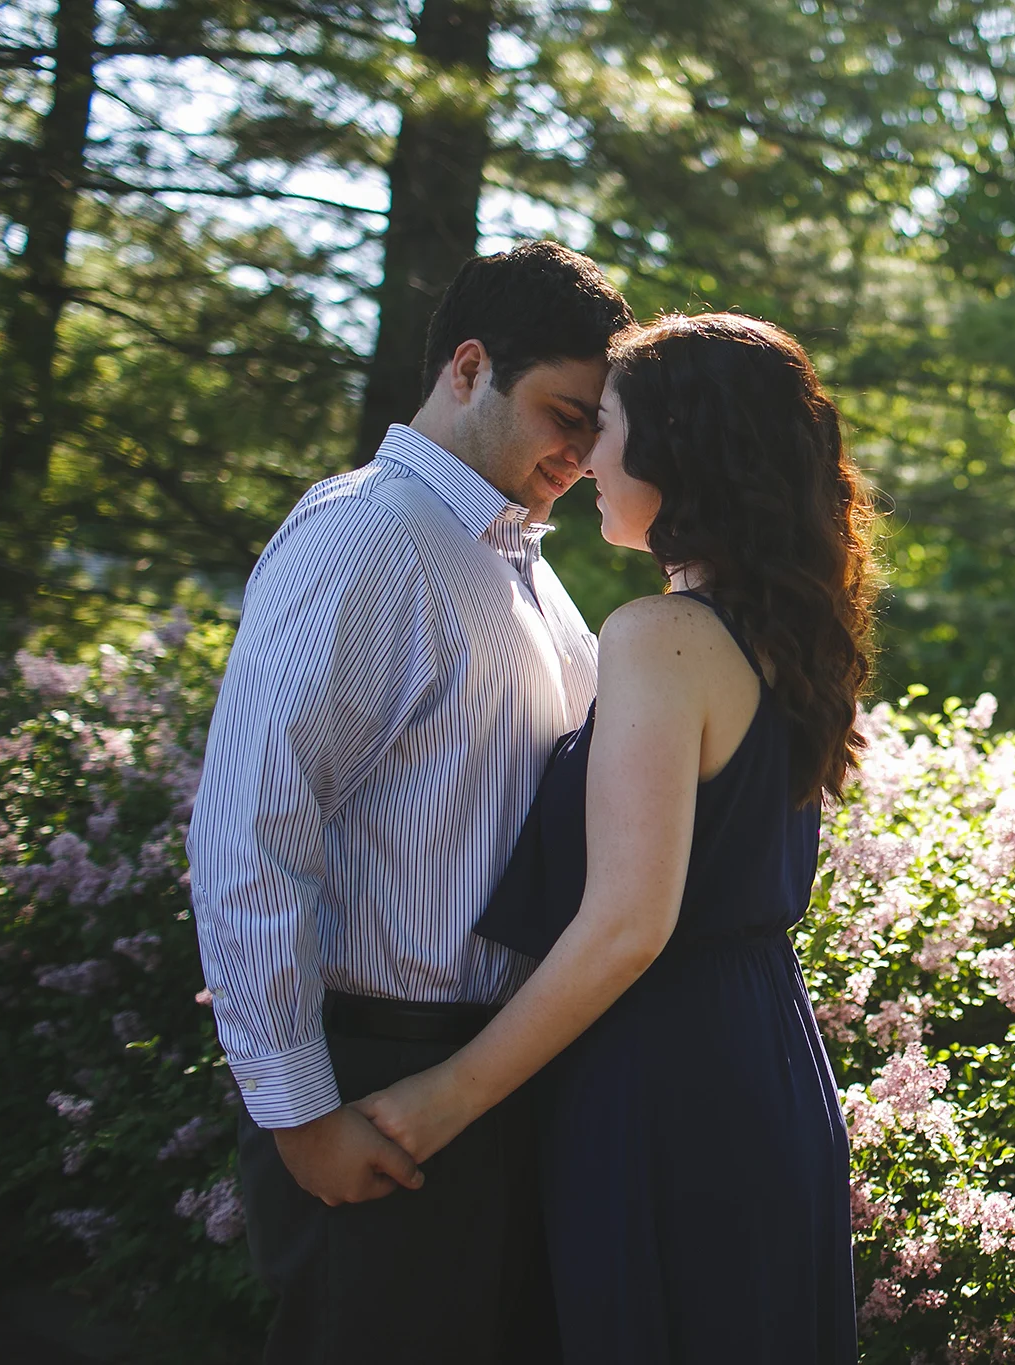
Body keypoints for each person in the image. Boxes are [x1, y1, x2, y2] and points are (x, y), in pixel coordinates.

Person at [352, 312, 875, 1362]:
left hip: (664, 1069)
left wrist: (440, 1098)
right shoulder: (781, 635)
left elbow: (628, 920)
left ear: (682, 447)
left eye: (609, 427)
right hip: (759, 1053)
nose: (587, 457)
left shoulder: (659, 635)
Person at [188, 240, 633, 1364]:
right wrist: (300, 1115)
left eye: (597, 427)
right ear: (470, 368)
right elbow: (252, 831)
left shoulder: (518, 561)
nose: (581, 455)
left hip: (493, 1081)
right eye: (562, 414)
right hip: (377, 1084)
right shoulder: (367, 537)